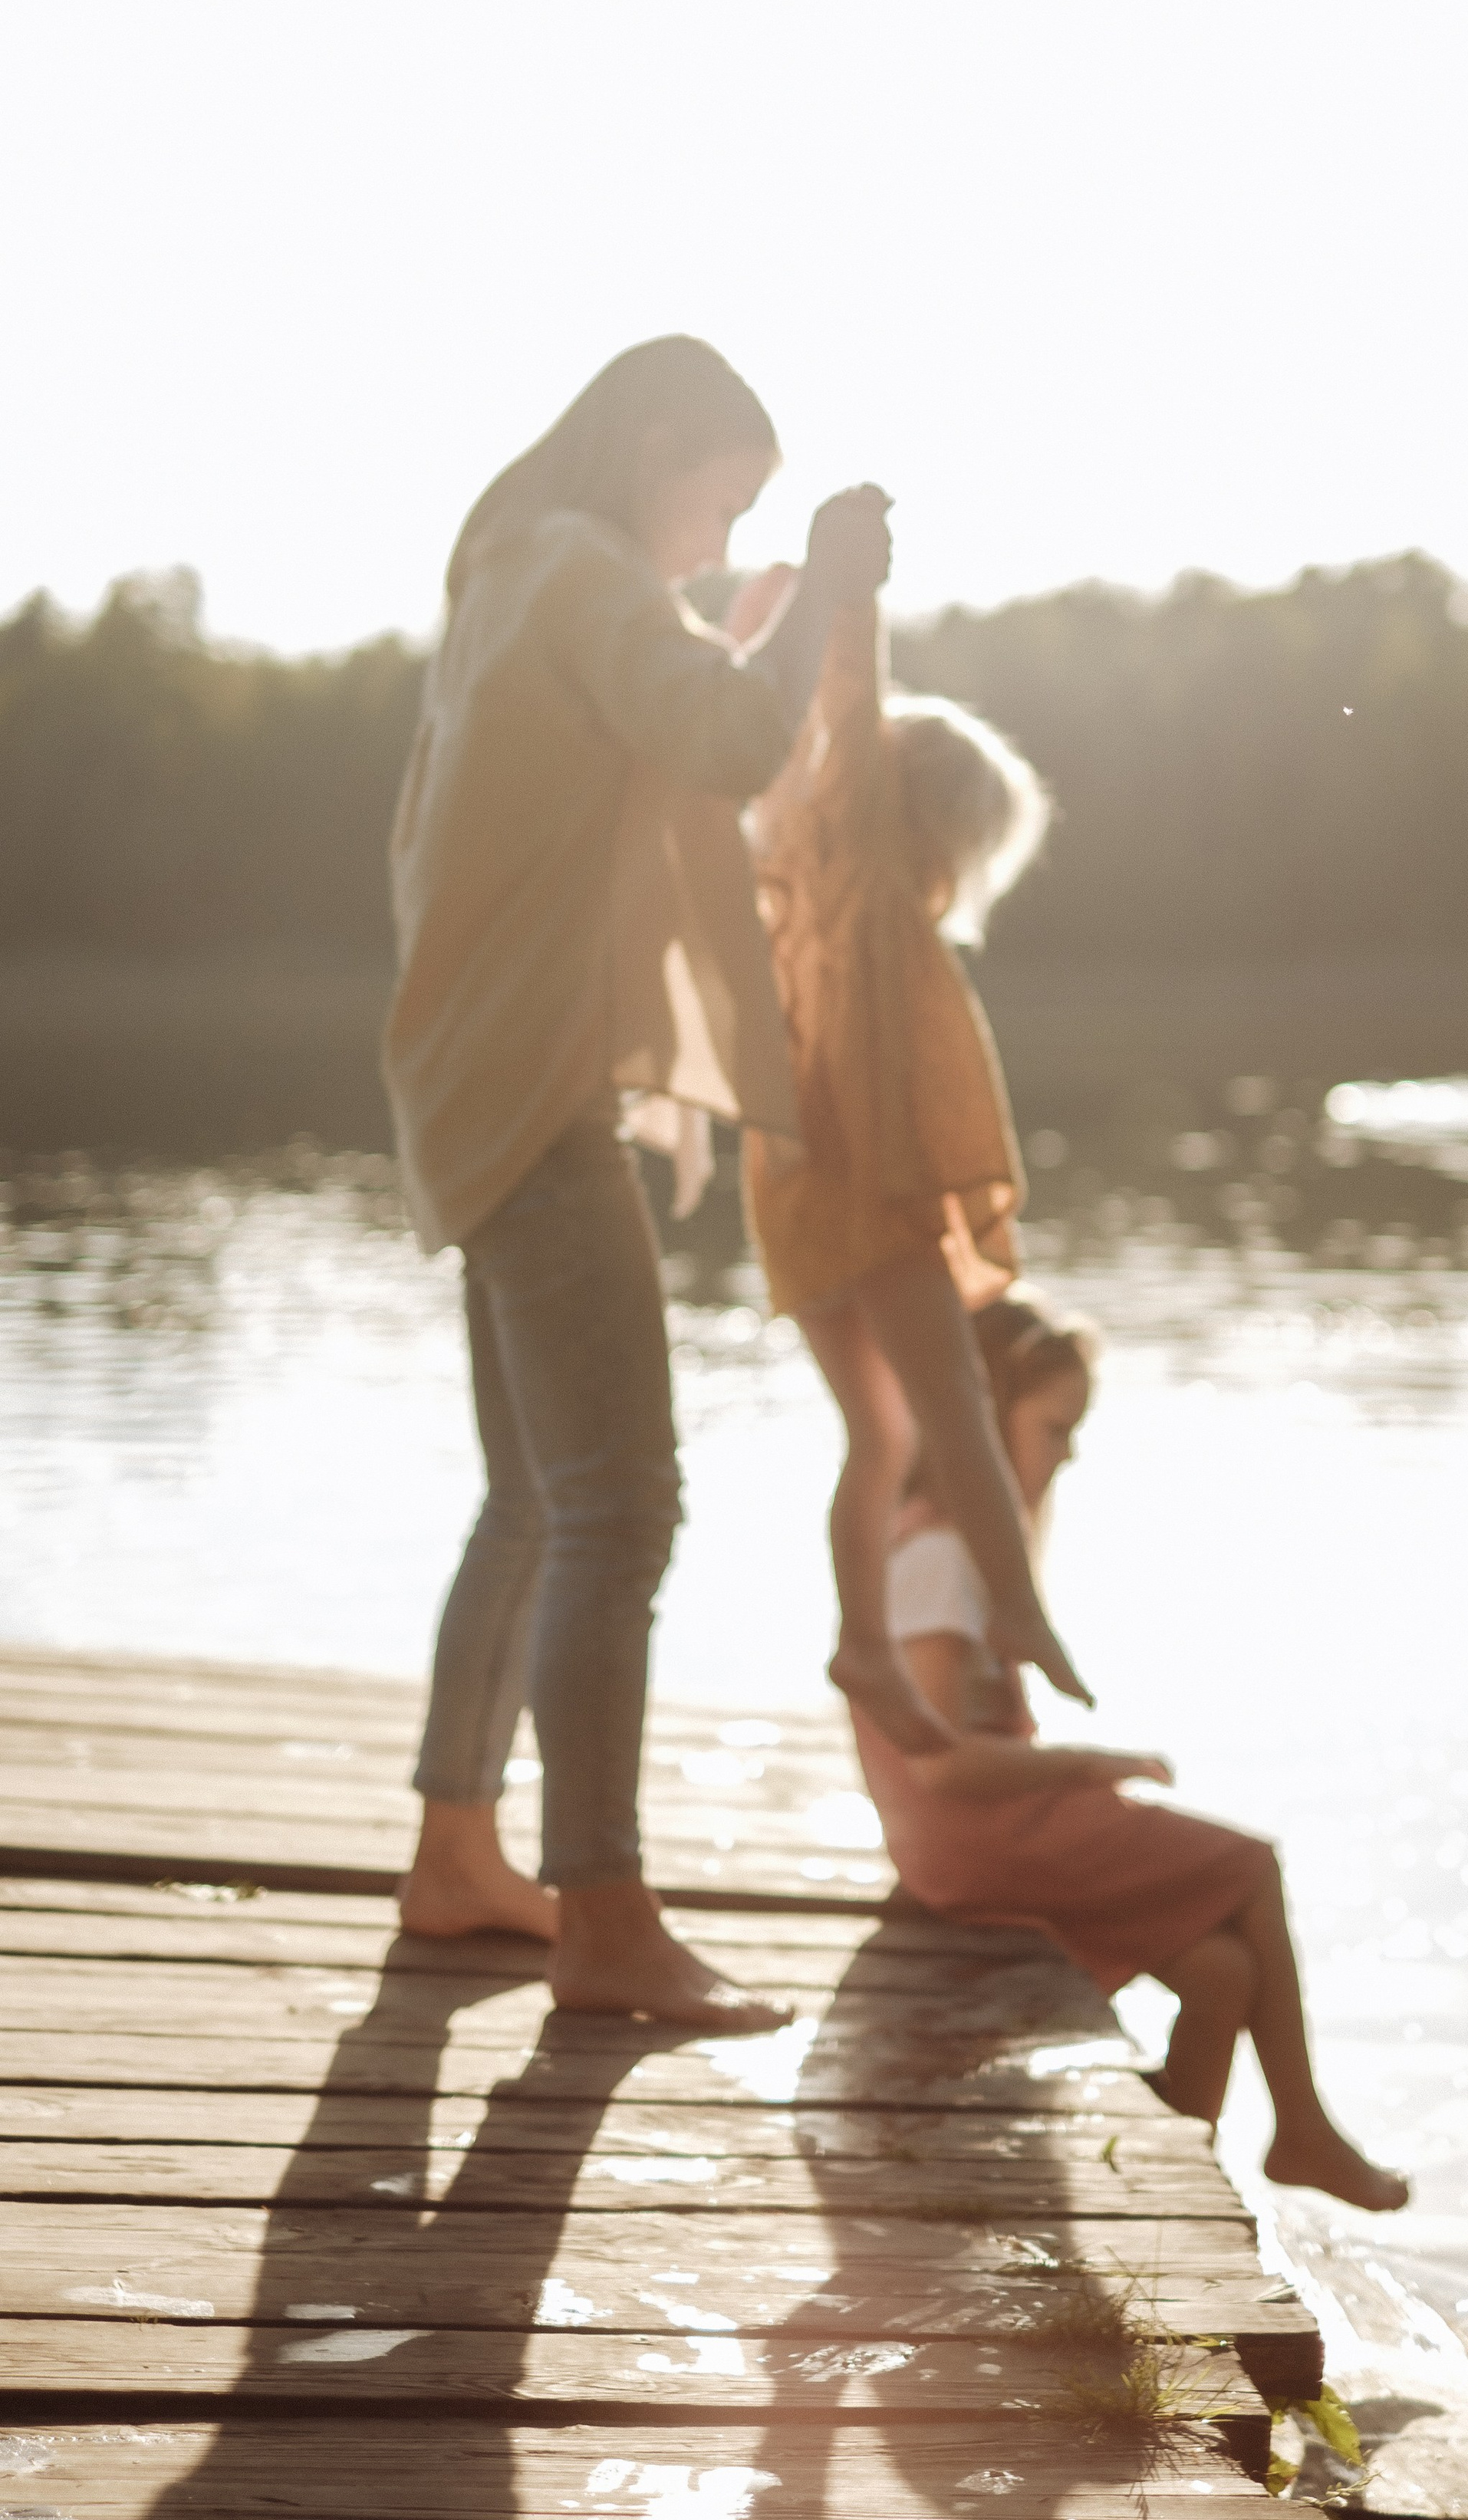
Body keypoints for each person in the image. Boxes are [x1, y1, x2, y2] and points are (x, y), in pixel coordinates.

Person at [387, 336, 891, 2027]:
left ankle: (459, 1852)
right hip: (533, 1097)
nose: (708, 540)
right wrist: (821, 584)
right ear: (661, 445)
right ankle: (602, 1912)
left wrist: (746, 624)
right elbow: (737, 745)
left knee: (531, 1497)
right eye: (721, 498)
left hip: (470, 1081)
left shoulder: (519, 574)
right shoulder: (584, 569)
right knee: (621, 1504)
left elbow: (665, 721)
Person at [851, 1295, 1410, 2208]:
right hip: (973, 1838)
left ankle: (1159, 2196)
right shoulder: (939, 1554)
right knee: (1250, 1863)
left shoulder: (957, 1549)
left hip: (981, 1832)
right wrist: (1091, 1764)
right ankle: (1301, 2127)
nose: (1067, 1452)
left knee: (1223, 1972)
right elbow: (943, 1765)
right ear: (984, 1415)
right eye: (1055, 1427)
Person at [734, 555, 1090, 1758]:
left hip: (793, 1187)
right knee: (952, 1414)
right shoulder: (873, 878)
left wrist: (759, 626)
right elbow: (846, 704)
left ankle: (862, 1642)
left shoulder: (798, 859)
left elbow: (791, 742)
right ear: (937, 829)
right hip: (865, 1181)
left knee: (882, 1439)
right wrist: (849, 590)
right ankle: (1023, 1617)